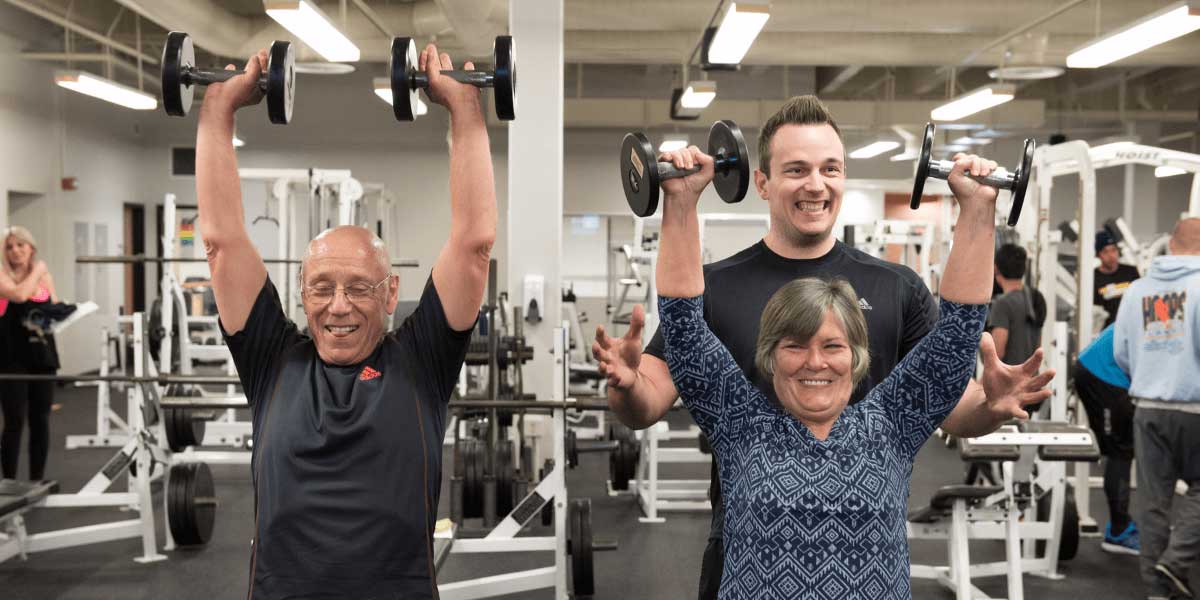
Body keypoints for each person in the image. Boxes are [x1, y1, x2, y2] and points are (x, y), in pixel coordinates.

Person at [591, 95, 1053, 599]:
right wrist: (679, 201)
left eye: (833, 346)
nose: (815, 362)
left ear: (858, 358)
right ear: (767, 357)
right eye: (795, 345)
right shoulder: (742, 424)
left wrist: (980, 208)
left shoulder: (891, 423)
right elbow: (682, 326)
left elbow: (960, 333)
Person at [197, 44, 494, 598]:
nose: (337, 306)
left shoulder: (422, 360)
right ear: (300, 292)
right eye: (321, 288)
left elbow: (474, 245)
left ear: (390, 293)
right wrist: (217, 112)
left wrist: (465, 109)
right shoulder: (271, 361)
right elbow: (220, 244)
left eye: (359, 288)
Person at [1114, 217, 1200, 600]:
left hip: (1147, 406)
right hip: (1196, 407)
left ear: (1171, 244)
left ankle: (1157, 591)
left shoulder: (1137, 290)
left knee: (1154, 501)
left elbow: (1121, 353)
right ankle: (1177, 562)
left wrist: (1151, 375)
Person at [0, 226, 60, 482]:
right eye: (10, 247)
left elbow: (55, 307)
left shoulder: (44, 277)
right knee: (14, 421)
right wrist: (38, 270)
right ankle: (9, 481)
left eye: (20, 245)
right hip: (11, 357)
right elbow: (18, 294)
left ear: (31, 248)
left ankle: (37, 479)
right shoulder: (3, 275)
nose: (15, 251)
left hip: (42, 356)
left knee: (41, 419)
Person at [1073, 324, 1139, 555]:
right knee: (1120, 449)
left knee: (1122, 446)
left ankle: (1121, 526)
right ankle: (1119, 532)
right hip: (1103, 373)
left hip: (1101, 369)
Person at [988, 243, 1047, 366]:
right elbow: (1038, 349)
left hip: (1008, 381)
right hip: (1031, 379)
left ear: (995, 269)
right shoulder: (1036, 297)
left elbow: (997, 354)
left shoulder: (1002, 304)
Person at [1095, 229, 1141, 328]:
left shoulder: (1131, 272)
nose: (1111, 255)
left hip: (1130, 327)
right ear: (1098, 255)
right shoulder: (1093, 277)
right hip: (1106, 331)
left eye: (1113, 250)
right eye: (1105, 252)